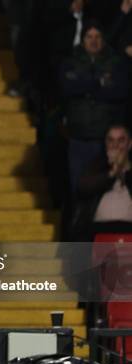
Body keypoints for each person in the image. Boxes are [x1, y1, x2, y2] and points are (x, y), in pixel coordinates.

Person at [60, 20, 129, 194]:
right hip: (77, 139)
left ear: (103, 39)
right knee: (78, 188)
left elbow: (119, 92)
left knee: (105, 187)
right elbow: (67, 88)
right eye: (89, 36)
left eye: (97, 36)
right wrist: (99, 82)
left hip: (104, 141)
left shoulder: (115, 62)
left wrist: (84, 87)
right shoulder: (70, 61)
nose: (93, 40)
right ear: (83, 40)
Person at [73, 125, 132, 241]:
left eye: (121, 140)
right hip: (99, 231)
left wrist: (124, 170)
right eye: (111, 140)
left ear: (130, 144)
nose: (115, 146)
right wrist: (112, 173)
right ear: (106, 144)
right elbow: (83, 188)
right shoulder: (96, 168)